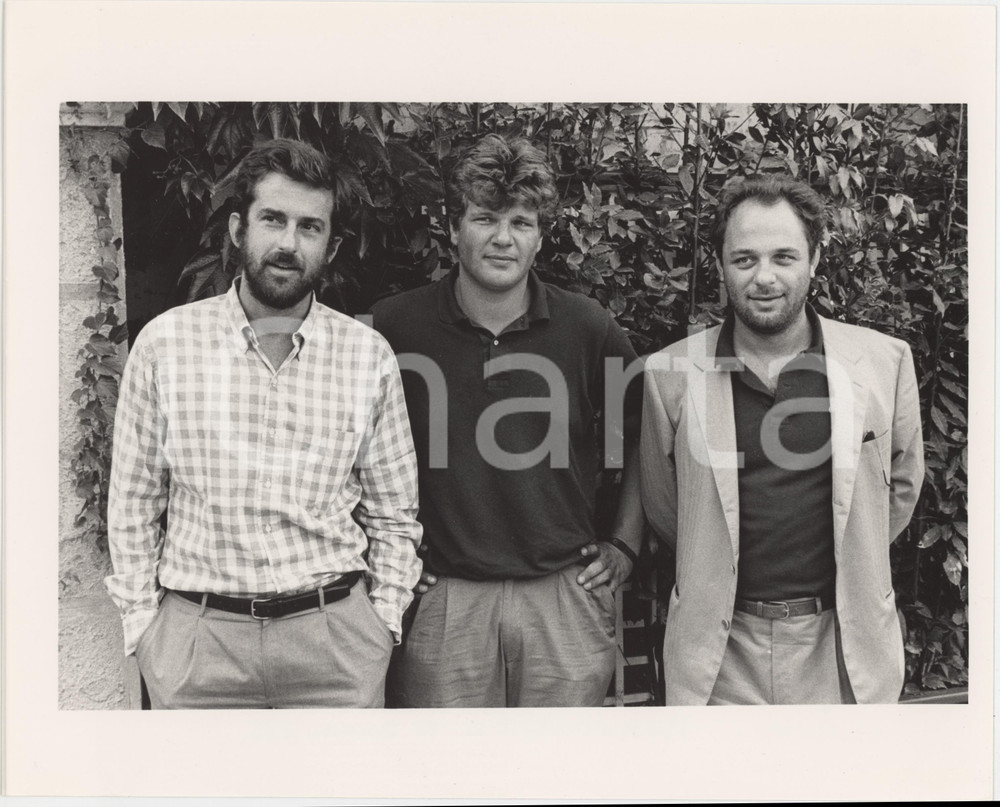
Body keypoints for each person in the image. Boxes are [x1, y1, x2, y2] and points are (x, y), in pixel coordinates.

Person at [106, 139, 422, 708]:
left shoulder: (366, 356)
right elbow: (133, 504)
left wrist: (381, 625)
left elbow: (394, 514)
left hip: (336, 647)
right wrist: (146, 630)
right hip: (198, 647)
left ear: (331, 244)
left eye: (309, 227)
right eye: (272, 219)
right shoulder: (164, 346)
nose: (287, 243)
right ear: (236, 229)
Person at [372, 133, 645, 707]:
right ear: (453, 228)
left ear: (541, 237)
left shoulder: (587, 328)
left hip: (563, 598)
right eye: (485, 218)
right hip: (445, 601)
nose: (502, 238)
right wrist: (386, 555)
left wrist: (625, 541)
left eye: (521, 222)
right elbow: (346, 451)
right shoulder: (396, 329)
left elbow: (642, 436)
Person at [640, 174, 924, 705]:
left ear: (815, 259)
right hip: (719, 654)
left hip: (843, 646)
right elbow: (667, 507)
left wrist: (855, 547)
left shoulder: (885, 362)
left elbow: (901, 489)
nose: (764, 277)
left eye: (784, 258)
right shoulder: (670, 373)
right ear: (721, 265)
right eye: (744, 259)